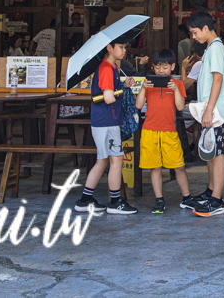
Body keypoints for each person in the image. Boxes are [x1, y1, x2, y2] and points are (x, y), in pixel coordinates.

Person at [74, 39, 137, 215]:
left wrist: (122, 85)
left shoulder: (110, 68)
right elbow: (108, 97)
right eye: (121, 47)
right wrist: (121, 91)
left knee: (103, 160)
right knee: (116, 159)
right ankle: (115, 201)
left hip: (103, 120)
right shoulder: (107, 69)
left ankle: (85, 199)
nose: (124, 50)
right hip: (108, 120)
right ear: (109, 48)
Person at [135, 49, 195, 214]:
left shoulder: (178, 84)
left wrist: (175, 89)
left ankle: (187, 197)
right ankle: (159, 199)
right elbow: (139, 106)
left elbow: (180, 107)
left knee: (179, 166)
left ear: (173, 67)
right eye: (158, 67)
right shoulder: (148, 83)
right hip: (149, 130)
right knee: (155, 167)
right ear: (153, 67)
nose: (161, 71)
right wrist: (142, 88)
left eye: (165, 67)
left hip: (169, 130)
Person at [187, 10, 224, 217]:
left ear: (206, 28)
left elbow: (218, 80)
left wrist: (209, 110)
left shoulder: (215, 49)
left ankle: (217, 199)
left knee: (217, 153)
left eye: (195, 32)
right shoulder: (212, 48)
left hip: (216, 110)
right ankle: (211, 190)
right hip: (211, 108)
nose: (194, 37)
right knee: (210, 152)